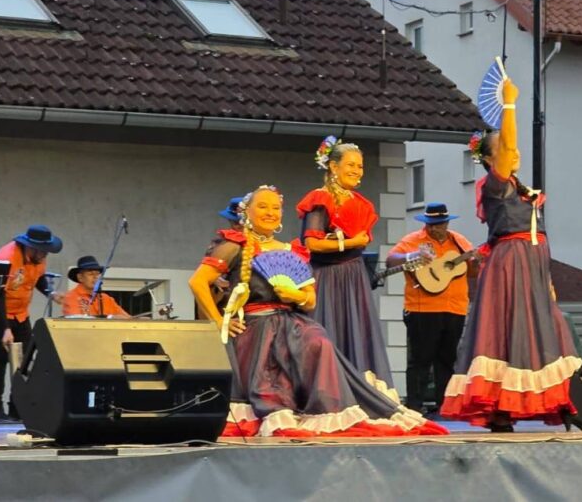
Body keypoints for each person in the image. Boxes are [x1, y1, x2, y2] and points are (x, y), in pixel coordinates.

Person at [188, 186, 445, 437]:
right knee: (273, 357)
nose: (270, 212)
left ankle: (323, 409)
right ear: (247, 212)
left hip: (293, 321)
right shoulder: (235, 244)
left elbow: (309, 302)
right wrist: (219, 320)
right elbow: (198, 282)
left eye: (276, 207)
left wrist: (295, 295)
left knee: (318, 340)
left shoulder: (291, 250)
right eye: (262, 206)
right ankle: (279, 408)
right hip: (255, 324)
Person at [441, 77, 582, 432]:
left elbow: (538, 235)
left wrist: (547, 279)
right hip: (510, 264)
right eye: (503, 146)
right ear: (490, 158)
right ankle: (501, 407)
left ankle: (564, 400)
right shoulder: (494, 184)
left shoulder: (522, 190)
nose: (511, 149)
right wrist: (510, 105)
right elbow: (508, 149)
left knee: (548, 330)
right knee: (506, 331)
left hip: (533, 266)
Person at [297, 137, 395, 392]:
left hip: (354, 278)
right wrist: (349, 242)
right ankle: (326, 391)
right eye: (350, 164)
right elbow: (312, 244)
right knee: (328, 333)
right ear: (333, 166)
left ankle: (358, 391)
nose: (356, 170)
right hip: (327, 278)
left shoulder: (362, 204)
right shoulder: (321, 199)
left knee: (357, 335)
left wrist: (352, 244)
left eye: (360, 166)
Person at [387, 202, 479, 413]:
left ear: (446, 223)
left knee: (447, 359)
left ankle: (444, 405)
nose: (435, 228)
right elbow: (391, 260)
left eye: (440, 224)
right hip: (422, 308)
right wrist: (411, 256)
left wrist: (475, 262)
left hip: (454, 308)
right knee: (420, 359)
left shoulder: (460, 242)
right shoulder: (413, 240)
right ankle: (414, 406)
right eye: (431, 224)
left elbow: (472, 272)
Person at [0, 225, 64, 419]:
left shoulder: (39, 258)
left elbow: (38, 279)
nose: (44, 255)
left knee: (24, 359)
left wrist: (52, 293)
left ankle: (17, 405)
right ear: (30, 247)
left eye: (46, 251)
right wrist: (5, 329)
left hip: (20, 313)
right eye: (41, 251)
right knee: (0, 356)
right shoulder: (6, 258)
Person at [62, 256, 131, 318]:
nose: (95, 277)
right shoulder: (71, 296)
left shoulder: (106, 298)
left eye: (97, 274)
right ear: (80, 277)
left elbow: (127, 318)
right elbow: (77, 321)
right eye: (90, 274)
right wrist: (110, 317)